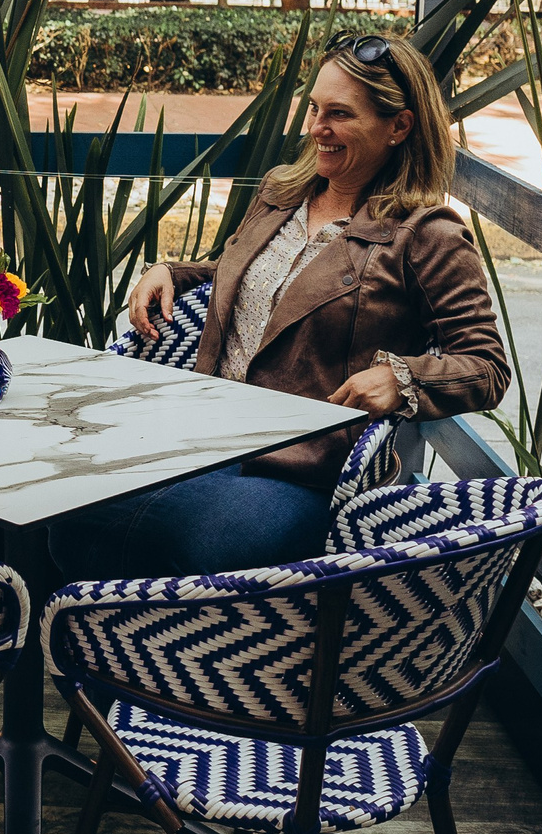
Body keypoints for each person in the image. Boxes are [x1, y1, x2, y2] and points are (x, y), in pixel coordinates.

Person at [48, 33, 509, 580]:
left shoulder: (426, 236)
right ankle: (121, 655)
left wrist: (403, 379)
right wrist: (172, 271)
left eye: (339, 114)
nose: (316, 128)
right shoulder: (282, 191)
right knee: (65, 516)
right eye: (314, 107)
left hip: (302, 472)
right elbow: (252, 277)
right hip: (199, 438)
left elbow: (487, 364)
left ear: (399, 127)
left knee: (208, 546)